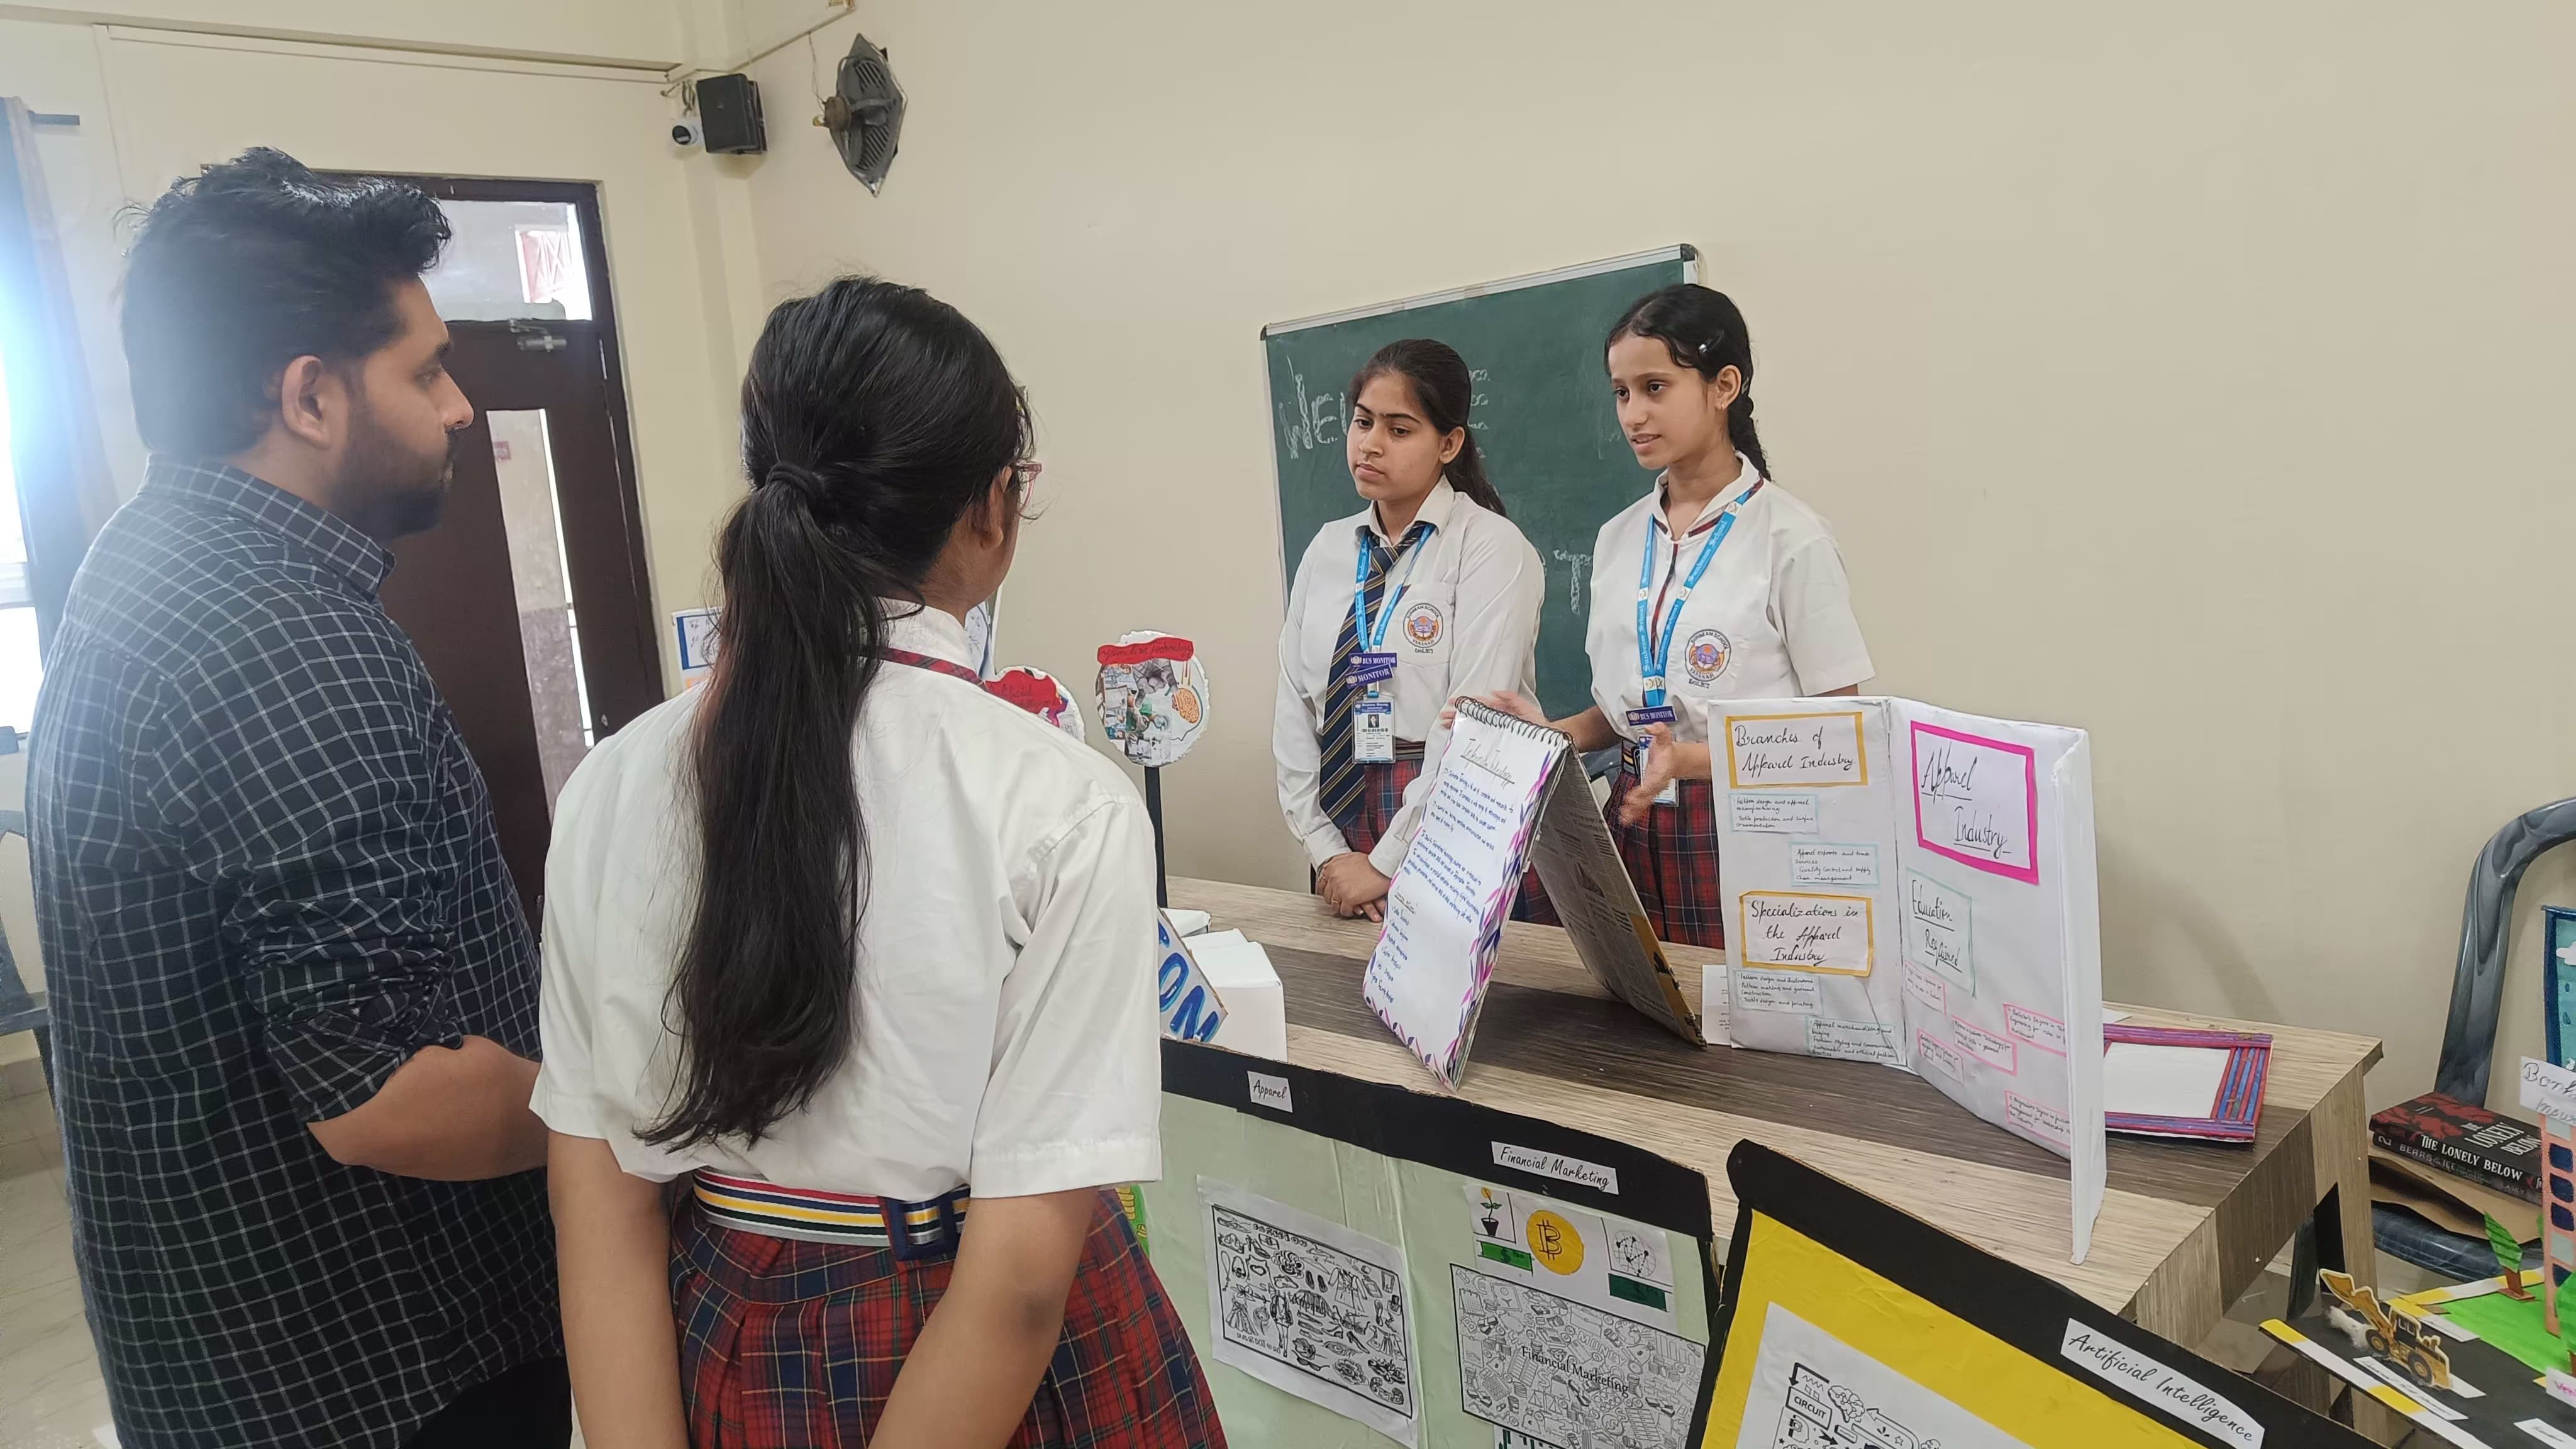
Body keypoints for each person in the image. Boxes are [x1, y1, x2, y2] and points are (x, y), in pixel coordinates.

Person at [535, 277, 1224, 1448]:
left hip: (719, 1320)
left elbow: (597, 1197)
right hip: (971, 1350)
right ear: (992, 509)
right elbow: (1014, 1283)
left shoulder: (610, 779)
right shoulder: (1059, 802)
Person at [26, 150, 564, 1448]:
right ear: (311, 396)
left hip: (233, 1362)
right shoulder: (276, 639)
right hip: (378, 1375)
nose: (456, 407)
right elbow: (393, 1094)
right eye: (424, 369)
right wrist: (664, 1113)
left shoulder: (152, 560)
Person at [1479, 286, 1872, 947]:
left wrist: (1685, 761)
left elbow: (1841, 737)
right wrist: (1555, 734)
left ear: (1724, 386)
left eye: (1655, 387)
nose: (1633, 414)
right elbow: (1632, 710)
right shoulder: (1619, 537)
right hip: (1633, 823)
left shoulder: (1789, 538)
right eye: (1621, 392)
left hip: (1752, 834)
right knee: (1632, 1031)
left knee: (1732, 1040)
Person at [1274, 339, 1543, 920]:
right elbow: (1294, 708)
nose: (1370, 443)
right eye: (1363, 421)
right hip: (1341, 823)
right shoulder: (1328, 548)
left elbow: (1475, 722)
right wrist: (1327, 852)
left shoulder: (1490, 547)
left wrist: (1385, 862)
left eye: (1399, 430)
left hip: (1450, 817)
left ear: (1449, 444)